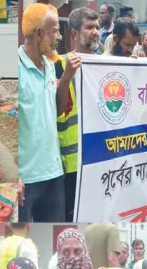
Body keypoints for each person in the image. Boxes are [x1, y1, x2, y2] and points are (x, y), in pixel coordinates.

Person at [18, 3, 74, 222]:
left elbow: (58, 111)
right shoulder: (18, 68)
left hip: (53, 173)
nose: (59, 37)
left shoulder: (50, 67)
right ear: (39, 34)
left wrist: (67, 77)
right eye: (55, 31)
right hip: (26, 178)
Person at [54, 7, 99, 221]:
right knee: (71, 218)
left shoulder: (107, 62)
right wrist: (66, 76)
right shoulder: (59, 65)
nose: (96, 32)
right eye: (89, 27)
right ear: (74, 34)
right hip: (71, 163)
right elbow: (57, 110)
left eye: (97, 27)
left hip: (101, 159)